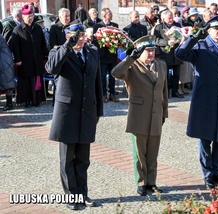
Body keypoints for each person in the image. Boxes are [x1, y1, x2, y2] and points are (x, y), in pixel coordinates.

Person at [175, 15, 218, 189]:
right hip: (204, 100)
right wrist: (195, 36)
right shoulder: (200, 46)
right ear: (209, 30)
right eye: (215, 29)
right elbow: (179, 53)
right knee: (205, 139)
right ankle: (208, 175)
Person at [45, 23, 103, 210]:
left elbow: (97, 83)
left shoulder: (92, 52)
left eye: (82, 35)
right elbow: (51, 68)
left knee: (83, 159)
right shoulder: (59, 52)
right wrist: (67, 46)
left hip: (87, 112)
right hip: (67, 113)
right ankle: (71, 195)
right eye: (76, 36)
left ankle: (82, 194)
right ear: (68, 36)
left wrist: (98, 111)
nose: (81, 39)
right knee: (67, 158)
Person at [111, 35, 168, 196]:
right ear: (139, 51)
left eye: (153, 51)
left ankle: (152, 182)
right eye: (147, 51)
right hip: (139, 115)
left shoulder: (161, 65)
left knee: (152, 152)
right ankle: (141, 182)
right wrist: (130, 58)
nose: (151, 54)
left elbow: (164, 92)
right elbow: (116, 73)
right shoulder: (132, 67)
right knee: (140, 152)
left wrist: (165, 113)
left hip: (156, 114)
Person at [11, 4, 47, 108]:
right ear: (23, 16)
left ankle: (37, 100)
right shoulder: (17, 30)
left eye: (32, 16)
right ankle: (26, 101)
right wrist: (18, 59)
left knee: (37, 79)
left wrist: (42, 55)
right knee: (26, 82)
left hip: (36, 59)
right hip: (24, 60)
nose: (30, 18)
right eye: (28, 16)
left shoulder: (38, 28)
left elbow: (42, 43)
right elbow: (15, 46)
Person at [153, 10, 183, 98]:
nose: (171, 19)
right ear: (163, 18)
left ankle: (175, 92)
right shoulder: (159, 27)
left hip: (176, 52)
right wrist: (167, 42)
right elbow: (156, 40)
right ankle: (165, 92)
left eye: (172, 17)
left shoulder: (177, 25)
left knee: (176, 74)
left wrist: (178, 40)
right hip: (165, 53)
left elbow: (181, 36)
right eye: (169, 18)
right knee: (165, 75)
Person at [93, 8, 120, 102]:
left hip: (112, 55)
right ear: (104, 15)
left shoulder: (115, 25)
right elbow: (95, 40)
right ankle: (103, 94)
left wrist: (114, 43)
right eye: (110, 14)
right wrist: (104, 44)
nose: (111, 15)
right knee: (102, 76)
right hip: (102, 55)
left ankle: (112, 93)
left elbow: (118, 38)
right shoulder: (97, 26)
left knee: (113, 75)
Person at [2, 7, 23, 110]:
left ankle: (10, 103)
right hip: (8, 57)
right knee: (7, 81)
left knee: (7, 81)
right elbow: (7, 40)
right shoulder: (9, 25)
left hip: (6, 59)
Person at [0, 34, 15, 110]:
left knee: (7, 84)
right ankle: (9, 104)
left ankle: (9, 104)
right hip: (6, 62)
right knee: (7, 83)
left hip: (4, 63)